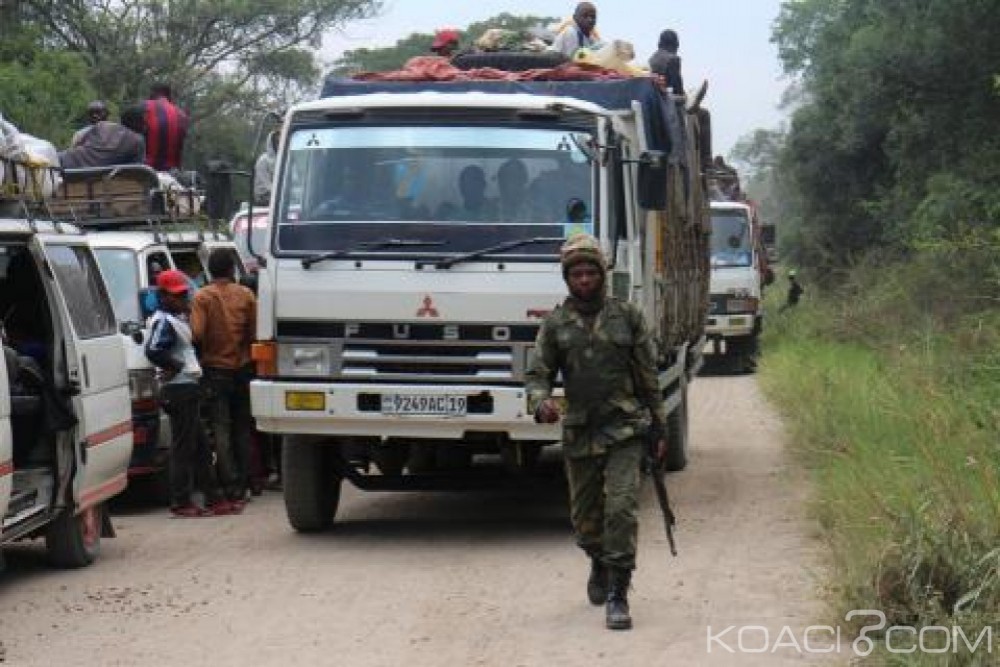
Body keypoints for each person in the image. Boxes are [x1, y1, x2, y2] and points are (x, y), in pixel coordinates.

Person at [525, 233, 668, 631]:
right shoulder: (555, 325)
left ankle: (618, 593)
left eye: (591, 272)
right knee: (585, 522)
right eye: (577, 274)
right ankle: (598, 561)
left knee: (621, 509)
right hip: (580, 434)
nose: (585, 280)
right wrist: (540, 403)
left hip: (624, 429)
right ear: (567, 279)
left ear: (603, 274)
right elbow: (537, 374)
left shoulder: (628, 316)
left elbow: (647, 375)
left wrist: (658, 427)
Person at [145, 269, 240, 517]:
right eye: (177, 295)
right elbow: (153, 350)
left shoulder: (176, 318)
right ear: (163, 296)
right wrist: (175, 367)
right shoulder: (163, 321)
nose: (182, 299)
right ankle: (181, 502)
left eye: (184, 294)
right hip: (178, 389)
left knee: (199, 448)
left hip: (187, 387)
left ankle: (214, 499)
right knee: (184, 448)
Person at [191, 249, 258, 501]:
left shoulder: (202, 297)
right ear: (232, 270)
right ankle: (245, 481)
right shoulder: (246, 295)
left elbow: (196, 334)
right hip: (242, 369)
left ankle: (229, 484)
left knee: (221, 428)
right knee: (242, 427)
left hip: (215, 369)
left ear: (210, 270)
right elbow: (254, 334)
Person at [59, 111, 146, 169]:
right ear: (137, 123)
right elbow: (137, 170)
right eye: (143, 122)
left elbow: (79, 144)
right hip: (85, 173)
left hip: (65, 160)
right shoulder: (138, 140)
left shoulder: (104, 125)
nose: (145, 125)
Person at [143, 83, 189, 171]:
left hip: (145, 169)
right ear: (169, 95)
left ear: (154, 93)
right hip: (172, 172)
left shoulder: (145, 106)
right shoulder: (182, 115)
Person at [648, 29, 684, 95]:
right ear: (675, 44)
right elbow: (677, 86)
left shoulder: (652, 58)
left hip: (653, 96)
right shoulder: (673, 59)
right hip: (666, 99)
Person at [253, 129, 280, 205]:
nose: (279, 145)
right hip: (264, 197)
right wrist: (279, 193)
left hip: (280, 195)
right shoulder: (263, 160)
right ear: (272, 143)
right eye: (277, 142)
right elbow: (266, 183)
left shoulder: (286, 160)